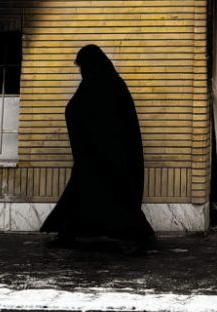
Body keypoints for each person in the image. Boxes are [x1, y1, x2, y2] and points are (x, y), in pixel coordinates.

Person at [41, 44, 155, 254]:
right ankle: (70, 231)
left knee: (106, 196)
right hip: (100, 157)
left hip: (110, 157)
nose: (81, 71)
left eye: (83, 66)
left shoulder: (105, 85)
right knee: (89, 195)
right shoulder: (104, 83)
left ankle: (136, 234)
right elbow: (78, 110)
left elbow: (108, 120)